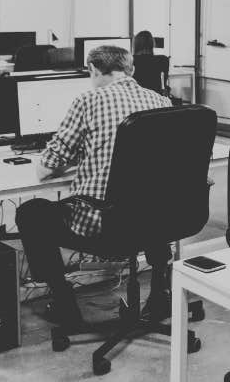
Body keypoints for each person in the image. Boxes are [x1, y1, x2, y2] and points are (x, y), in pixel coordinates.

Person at [15, 45, 173, 330]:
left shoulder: (88, 100)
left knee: (31, 213)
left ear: (93, 70)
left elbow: (45, 168)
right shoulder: (161, 101)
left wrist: (79, 161)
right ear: (131, 70)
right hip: (154, 221)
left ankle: (64, 304)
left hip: (105, 225)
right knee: (151, 192)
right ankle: (161, 289)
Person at [131, 30, 169, 96]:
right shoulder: (163, 59)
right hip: (156, 97)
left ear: (135, 44)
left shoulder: (130, 60)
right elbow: (164, 84)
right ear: (152, 43)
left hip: (135, 96)